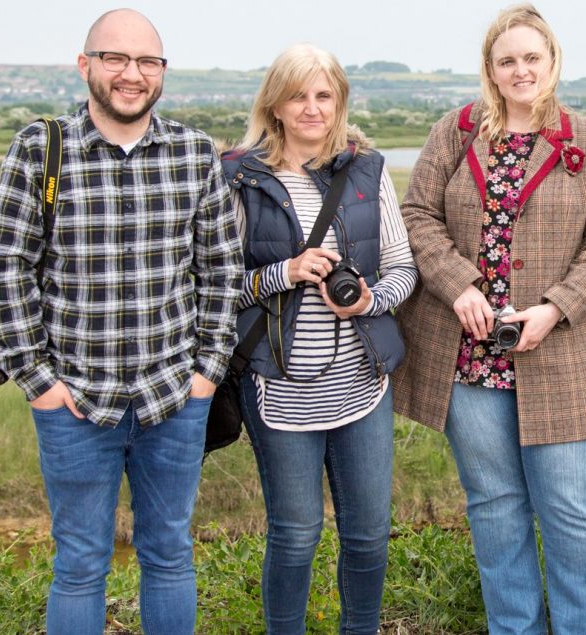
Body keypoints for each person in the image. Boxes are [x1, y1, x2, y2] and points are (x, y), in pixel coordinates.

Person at [0, 9, 240, 634]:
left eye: (147, 61)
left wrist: (206, 374)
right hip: (74, 401)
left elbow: (222, 271)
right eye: (115, 59)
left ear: (162, 72)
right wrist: (40, 385)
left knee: (170, 554)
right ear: (86, 66)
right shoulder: (42, 150)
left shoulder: (193, 152)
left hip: (174, 400)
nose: (132, 74)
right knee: (78, 564)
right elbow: (10, 270)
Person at [392, 4, 586, 633]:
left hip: (561, 352)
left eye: (532, 57)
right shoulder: (456, 131)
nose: (521, 70)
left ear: (552, 63)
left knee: (572, 512)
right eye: (507, 61)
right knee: (496, 508)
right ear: (490, 70)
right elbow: (417, 215)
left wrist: (555, 307)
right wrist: (459, 286)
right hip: (469, 355)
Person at [220, 43, 414, 634]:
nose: (311, 108)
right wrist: (286, 272)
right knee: (296, 535)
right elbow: (216, 284)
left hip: (361, 386)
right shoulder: (239, 178)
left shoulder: (367, 171)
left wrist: (367, 300)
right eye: (298, 95)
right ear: (274, 104)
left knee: (368, 536)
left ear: (339, 102)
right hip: (279, 390)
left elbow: (404, 269)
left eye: (323, 95)